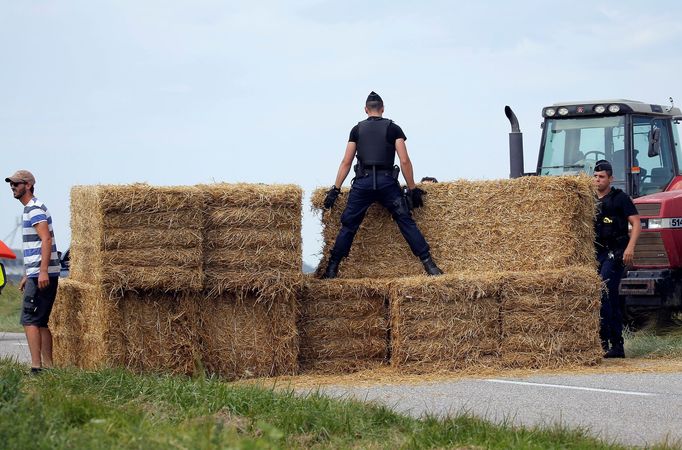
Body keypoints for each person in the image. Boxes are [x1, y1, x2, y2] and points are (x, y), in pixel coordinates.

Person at [321, 91, 443, 278]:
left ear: (365, 110)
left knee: (349, 225)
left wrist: (335, 190)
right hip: (387, 183)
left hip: (363, 183)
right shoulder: (394, 128)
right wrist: (412, 189)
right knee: (405, 220)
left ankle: (332, 269)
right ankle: (429, 265)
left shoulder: (357, 130)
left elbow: (346, 161)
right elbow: (404, 160)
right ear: (383, 109)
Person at [5, 170, 61, 373]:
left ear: (28, 185)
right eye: (11, 184)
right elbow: (37, 244)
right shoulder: (31, 208)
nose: (12, 187)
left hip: (41, 274)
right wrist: (28, 273)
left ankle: (36, 368)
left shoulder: (34, 209)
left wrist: (42, 271)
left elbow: (46, 239)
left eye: (16, 184)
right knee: (41, 321)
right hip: (37, 272)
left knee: (29, 320)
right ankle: (49, 367)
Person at [593, 160, 641, 358]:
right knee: (596, 296)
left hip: (616, 252)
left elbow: (637, 224)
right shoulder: (589, 200)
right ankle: (601, 342)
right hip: (597, 253)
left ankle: (617, 345)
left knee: (606, 293)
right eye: (595, 176)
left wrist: (630, 248)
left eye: (602, 177)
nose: (597, 180)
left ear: (610, 178)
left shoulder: (620, 198)